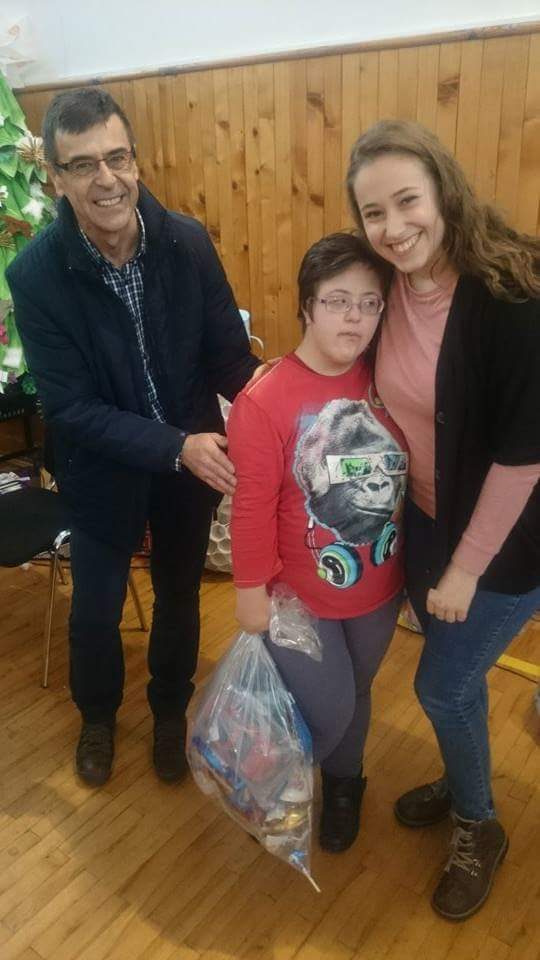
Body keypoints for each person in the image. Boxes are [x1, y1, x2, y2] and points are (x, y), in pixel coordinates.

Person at [7, 87, 259, 788]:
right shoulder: (36, 275)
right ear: (55, 177)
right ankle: (98, 717)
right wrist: (175, 444)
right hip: (100, 471)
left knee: (179, 597)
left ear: (136, 161)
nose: (106, 179)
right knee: (94, 612)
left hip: (189, 473)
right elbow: (70, 408)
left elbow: (230, 361)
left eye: (117, 158)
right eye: (82, 165)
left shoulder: (187, 242)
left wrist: (289, 399)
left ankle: (170, 712)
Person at [347, 119, 540, 920]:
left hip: (510, 540)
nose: (393, 228)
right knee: (453, 686)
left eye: (407, 202)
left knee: (443, 684)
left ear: (443, 192)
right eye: (373, 213)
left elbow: (523, 457)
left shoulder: (511, 295)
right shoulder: (387, 286)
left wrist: (465, 570)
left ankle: (479, 824)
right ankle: (463, 778)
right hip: (429, 520)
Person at [227, 232, 408, 853]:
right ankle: (272, 788)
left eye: (369, 303)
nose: (354, 317)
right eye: (337, 301)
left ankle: (345, 784)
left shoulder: (386, 380)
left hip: (379, 585)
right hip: (298, 595)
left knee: (357, 692)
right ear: (307, 305)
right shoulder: (265, 399)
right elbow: (252, 505)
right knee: (330, 708)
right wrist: (249, 591)